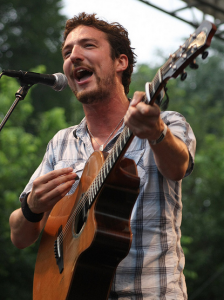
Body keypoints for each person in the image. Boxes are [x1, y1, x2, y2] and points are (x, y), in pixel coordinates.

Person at [9, 12, 196, 300]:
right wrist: (32, 207)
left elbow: (178, 167)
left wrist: (155, 132)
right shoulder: (61, 143)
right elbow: (19, 235)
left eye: (88, 46)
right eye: (67, 51)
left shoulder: (166, 122)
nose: (74, 56)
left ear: (121, 62)